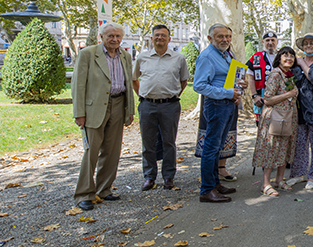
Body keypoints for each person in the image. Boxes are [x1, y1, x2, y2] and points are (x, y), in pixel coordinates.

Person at [71, 22, 135, 210]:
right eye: (110, 36)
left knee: (112, 151)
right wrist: (79, 113)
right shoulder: (88, 54)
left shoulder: (125, 56)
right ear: (102, 37)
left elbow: (128, 84)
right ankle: (84, 194)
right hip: (94, 109)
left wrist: (129, 110)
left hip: (118, 105)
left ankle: (104, 189)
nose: (114, 39)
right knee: (91, 152)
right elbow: (78, 85)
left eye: (118, 36)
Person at [132, 24, 189, 191]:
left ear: (169, 39)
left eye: (163, 35)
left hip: (170, 106)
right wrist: (143, 95)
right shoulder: (142, 57)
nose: (160, 38)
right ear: (151, 38)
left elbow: (183, 81)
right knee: (147, 143)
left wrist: (171, 95)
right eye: (157, 35)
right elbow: (134, 79)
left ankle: (168, 177)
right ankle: (149, 177)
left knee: (169, 142)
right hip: (147, 105)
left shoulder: (179, 58)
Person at [193, 24, 244, 203]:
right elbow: (199, 85)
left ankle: (215, 184)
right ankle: (207, 190)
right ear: (210, 38)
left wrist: (239, 88)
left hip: (227, 104)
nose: (225, 40)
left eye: (228, 36)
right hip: (216, 105)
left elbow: (227, 79)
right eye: (220, 36)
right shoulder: (207, 56)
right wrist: (228, 93)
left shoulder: (226, 54)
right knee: (211, 148)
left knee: (218, 148)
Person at [252, 47, 300, 196]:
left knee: (284, 148)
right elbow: (267, 99)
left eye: (292, 56)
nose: (289, 58)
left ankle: (279, 180)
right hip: (275, 118)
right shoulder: (275, 74)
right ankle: (266, 184)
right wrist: (288, 94)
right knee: (272, 149)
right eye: (285, 56)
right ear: (279, 58)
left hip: (287, 118)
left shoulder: (288, 75)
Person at [285, 34, 313, 189]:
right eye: (306, 43)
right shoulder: (294, 64)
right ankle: (297, 174)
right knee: (299, 144)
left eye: (312, 43)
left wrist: (303, 63)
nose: (309, 46)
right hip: (299, 110)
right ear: (302, 47)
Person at [246, 31, 279, 125]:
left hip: (279, 97)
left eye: (273, 40)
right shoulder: (256, 57)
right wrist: (254, 95)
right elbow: (250, 77)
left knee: (278, 126)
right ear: (263, 42)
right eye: (267, 40)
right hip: (261, 96)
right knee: (262, 126)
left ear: (277, 41)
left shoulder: (283, 56)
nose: (270, 43)